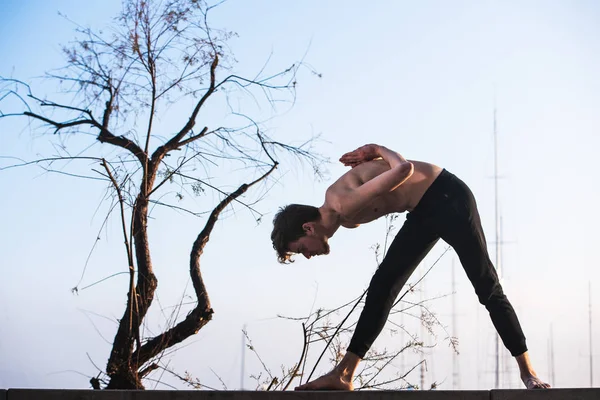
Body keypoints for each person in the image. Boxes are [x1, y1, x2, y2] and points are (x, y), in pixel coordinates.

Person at [270, 143, 550, 390]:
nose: (307, 255)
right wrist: (373, 160)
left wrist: (377, 148)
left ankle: (528, 372)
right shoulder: (342, 213)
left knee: (486, 286)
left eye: (300, 249)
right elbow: (382, 178)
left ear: (308, 228)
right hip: (423, 210)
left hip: (448, 197)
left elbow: (403, 169)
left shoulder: (342, 205)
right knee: (383, 285)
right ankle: (344, 374)